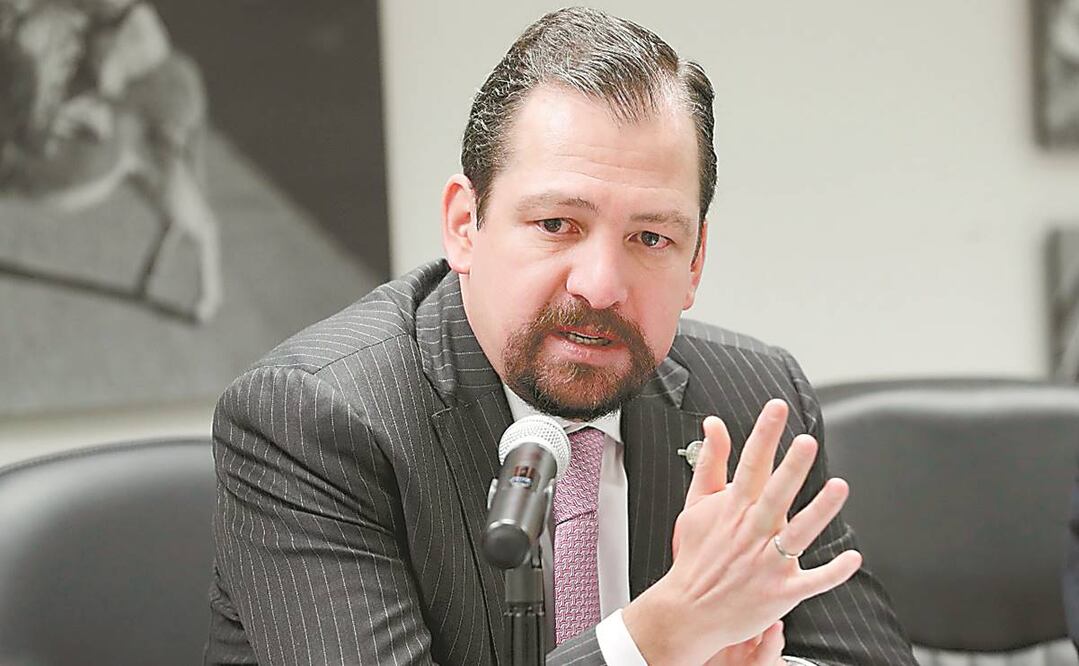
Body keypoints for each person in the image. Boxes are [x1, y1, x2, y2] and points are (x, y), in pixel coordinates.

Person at [205, 7, 916, 665]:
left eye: (650, 237)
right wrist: (662, 636)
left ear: (694, 261)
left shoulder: (748, 401)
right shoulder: (316, 418)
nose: (601, 285)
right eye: (556, 226)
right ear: (464, 225)